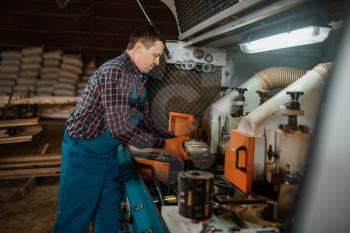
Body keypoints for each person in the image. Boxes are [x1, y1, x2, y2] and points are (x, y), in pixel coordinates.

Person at [54, 25, 188, 233]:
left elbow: (145, 120)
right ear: (139, 47)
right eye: (155, 55)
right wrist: (164, 145)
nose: (157, 62)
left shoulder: (139, 76)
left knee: (108, 212)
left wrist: (172, 137)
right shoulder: (115, 71)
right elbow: (120, 129)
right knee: (75, 216)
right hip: (84, 153)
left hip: (108, 154)